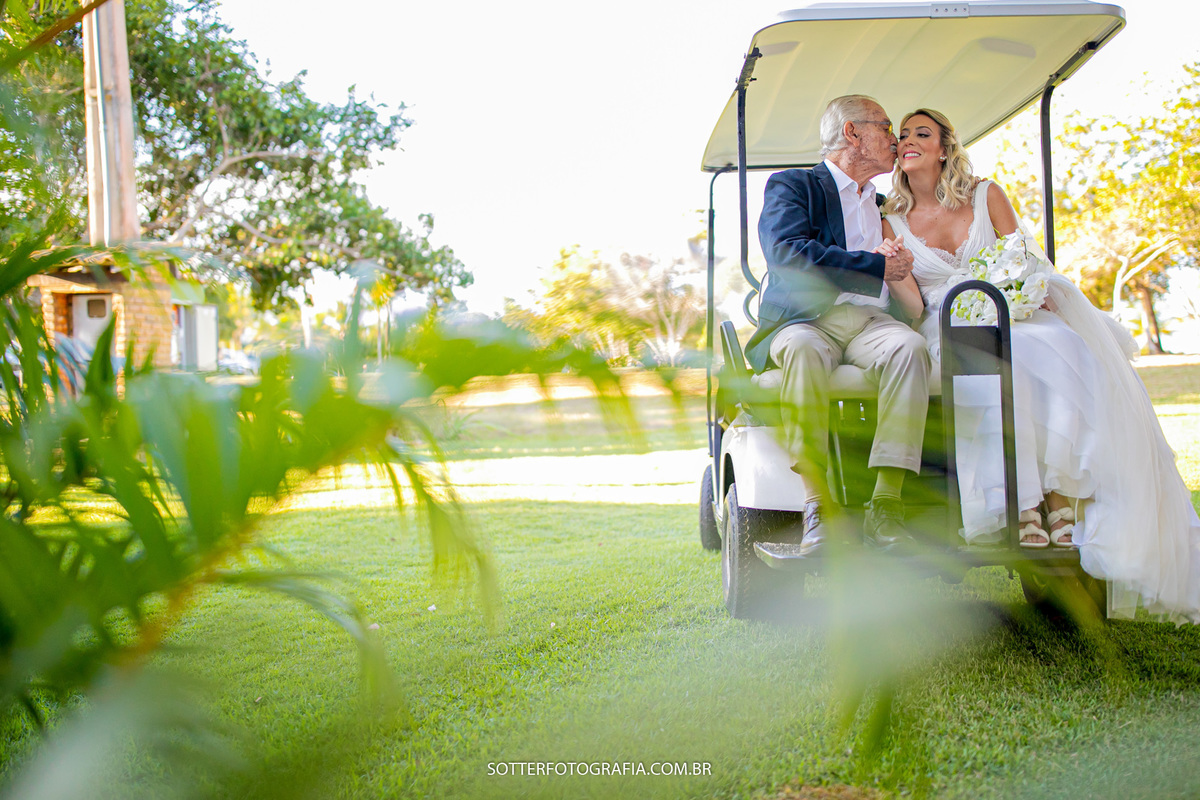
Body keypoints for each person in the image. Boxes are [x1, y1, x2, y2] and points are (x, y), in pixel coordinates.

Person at [880, 107, 1200, 622]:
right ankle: (1024, 504)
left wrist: (1030, 295)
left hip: (1013, 312)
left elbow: (1028, 260)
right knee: (987, 360)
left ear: (944, 147)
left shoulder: (987, 195)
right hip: (948, 325)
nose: (910, 141)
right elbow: (915, 306)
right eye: (903, 136)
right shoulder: (889, 218)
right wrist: (893, 271)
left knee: (1052, 348)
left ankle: (1060, 501)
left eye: (923, 133)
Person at [745, 95, 931, 557]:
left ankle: (885, 504)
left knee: (910, 348)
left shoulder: (887, 204)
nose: (896, 139)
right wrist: (874, 267)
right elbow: (788, 256)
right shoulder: (793, 185)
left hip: (872, 322)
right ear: (853, 133)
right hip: (806, 320)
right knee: (804, 351)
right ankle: (816, 504)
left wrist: (902, 266)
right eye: (887, 127)